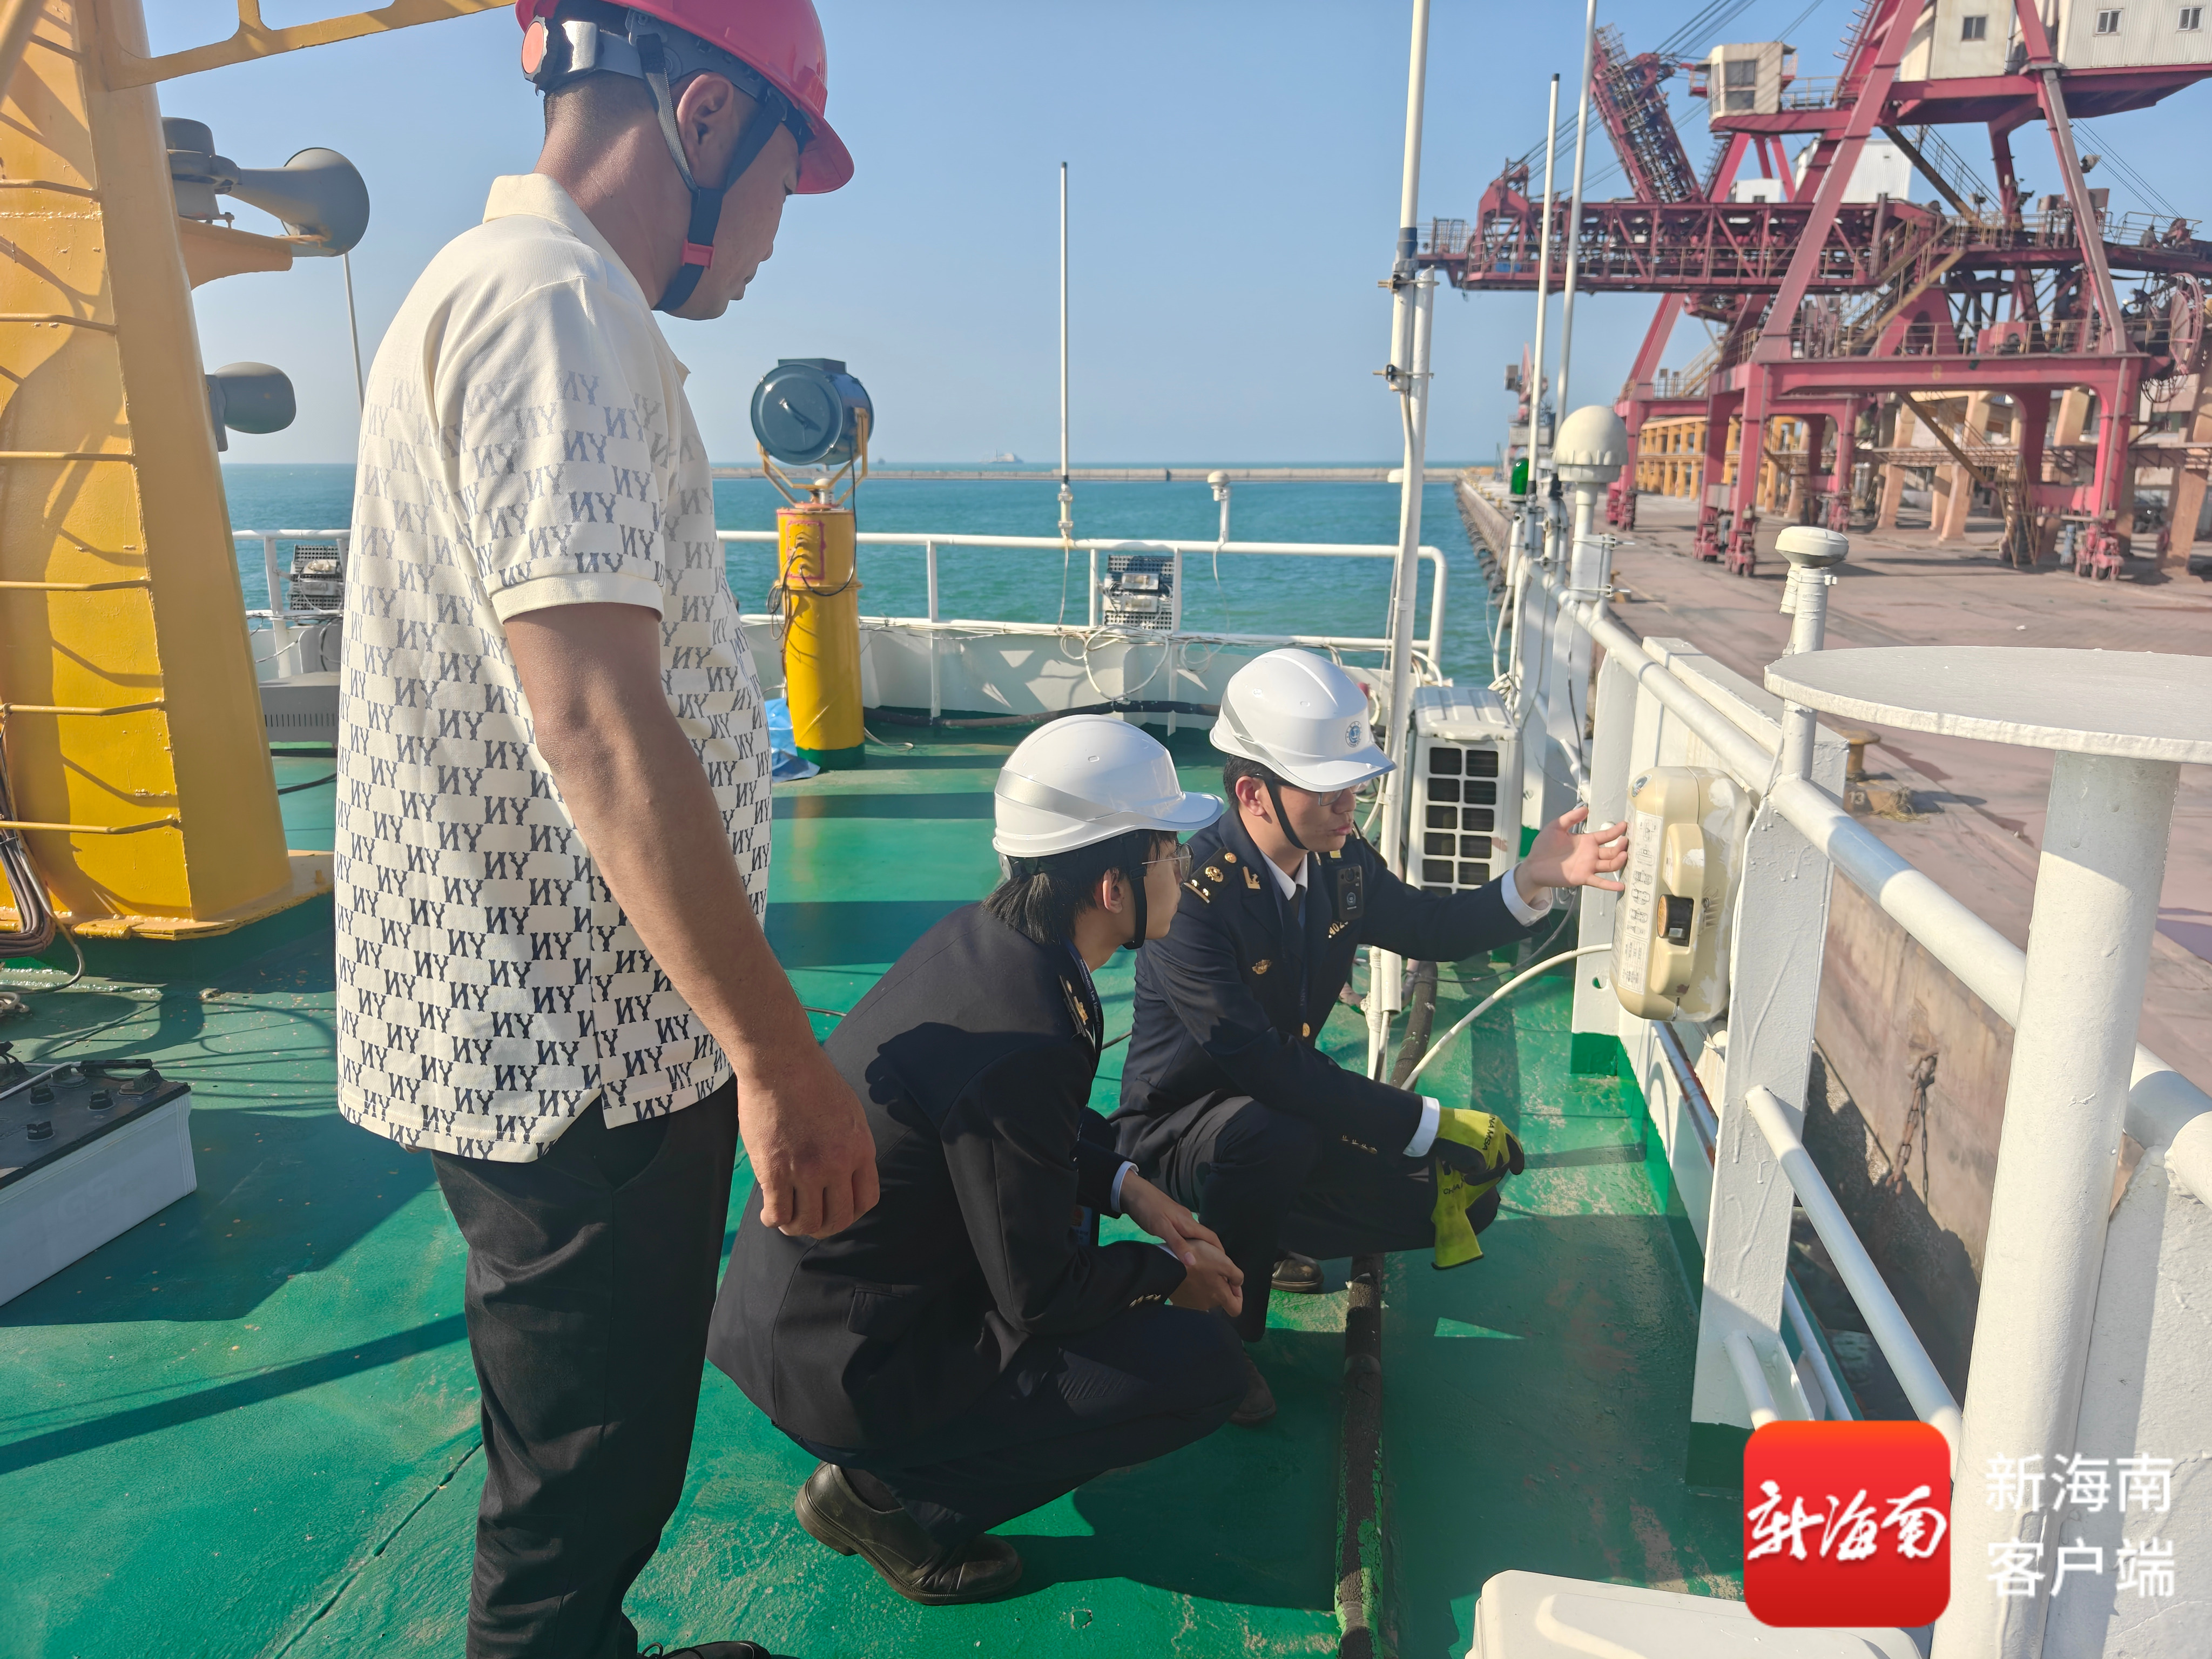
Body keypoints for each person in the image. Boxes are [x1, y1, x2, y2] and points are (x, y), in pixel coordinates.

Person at [334, 5, 870, 1655]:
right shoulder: (554, 306)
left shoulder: (504, 291)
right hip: (574, 1056)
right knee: (575, 1500)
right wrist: (779, 1062)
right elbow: (596, 720)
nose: (773, 239)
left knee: (600, 1460)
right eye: (783, 185)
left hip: (562, 1028)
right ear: (705, 118)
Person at [711, 718, 1249, 1604]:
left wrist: (1129, 1188)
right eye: (1169, 853)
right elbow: (1041, 1294)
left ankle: (899, 1467)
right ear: (1113, 885)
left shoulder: (993, 945)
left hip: (812, 1320)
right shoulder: (1030, 1027)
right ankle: (890, 1505)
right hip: (849, 1365)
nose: (1184, 872)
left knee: (1085, 1233)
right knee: (1202, 1370)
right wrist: (1168, 1276)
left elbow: (1017, 1132)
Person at [1113, 650, 1630, 1424]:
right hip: (1182, 1134)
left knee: (1465, 1200)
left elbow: (1427, 926)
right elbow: (1262, 1064)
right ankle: (1214, 1342)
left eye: (1353, 784)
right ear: (1253, 794)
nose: (1349, 804)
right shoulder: (1194, 896)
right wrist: (1426, 1122)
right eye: (1328, 788)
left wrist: (1532, 880)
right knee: (1274, 1137)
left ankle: (1261, 1234)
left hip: (1285, 1111)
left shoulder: (1338, 860)